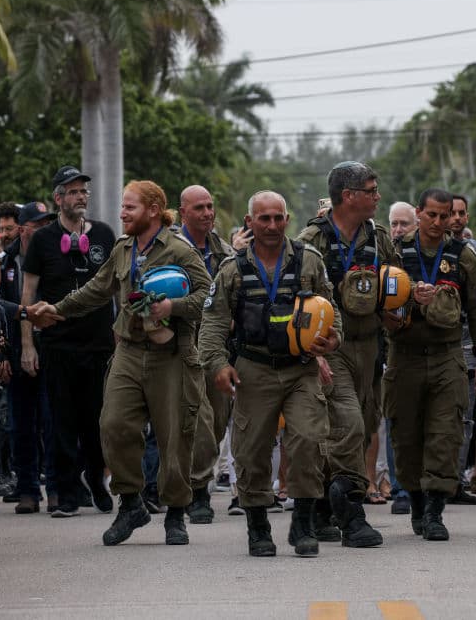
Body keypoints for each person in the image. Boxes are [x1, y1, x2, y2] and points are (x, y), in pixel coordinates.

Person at [28, 180, 211, 547]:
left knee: (174, 436)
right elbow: (97, 288)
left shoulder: (179, 249)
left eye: (130, 207)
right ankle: (130, 503)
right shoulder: (123, 249)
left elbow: (207, 295)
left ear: (154, 210)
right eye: (123, 207)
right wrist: (57, 309)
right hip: (128, 349)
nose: (122, 213)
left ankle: (176, 514)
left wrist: (171, 307)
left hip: (171, 354)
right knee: (112, 424)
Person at [198, 191, 340, 557]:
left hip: (301, 369)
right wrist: (218, 365)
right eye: (264, 219)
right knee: (252, 449)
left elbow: (330, 308)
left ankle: (303, 523)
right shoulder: (232, 269)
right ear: (250, 222)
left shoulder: (309, 261)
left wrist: (331, 339)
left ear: (288, 219)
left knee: (309, 439)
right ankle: (257, 526)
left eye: (278, 218)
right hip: (253, 369)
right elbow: (212, 324)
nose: (272, 225)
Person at [385, 188, 476, 541]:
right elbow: (379, 303)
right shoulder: (397, 251)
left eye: (444, 216)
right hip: (405, 353)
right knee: (406, 434)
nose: (437, 222)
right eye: (431, 214)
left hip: (449, 354)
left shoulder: (463, 255)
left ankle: (434, 510)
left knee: (445, 433)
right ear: (418, 212)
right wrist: (409, 295)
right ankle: (415, 499)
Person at [296, 161, 394, 548]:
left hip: (370, 346)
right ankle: (352, 512)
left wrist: (406, 302)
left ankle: (320, 507)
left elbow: (394, 284)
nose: (377, 196)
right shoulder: (311, 240)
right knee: (348, 422)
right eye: (371, 190)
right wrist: (313, 354)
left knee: (365, 423)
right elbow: (297, 299)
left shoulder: (379, 237)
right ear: (349, 196)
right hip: (329, 346)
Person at [21, 166, 117, 518]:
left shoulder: (105, 236)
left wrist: (120, 331)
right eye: (73, 192)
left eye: (83, 191)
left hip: (98, 345)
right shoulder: (43, 240)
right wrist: (28, 346)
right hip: (58, 345)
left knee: (97, 421)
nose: (80, 197)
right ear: (58, 199)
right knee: (60, 422)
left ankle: (96, 480)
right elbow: (28, 296)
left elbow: (117, 288)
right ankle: (64, 491)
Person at [177, 185, 234, 525]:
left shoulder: (224, 252)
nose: (207, 213)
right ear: (182, 212)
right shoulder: (170, 249)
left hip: (217, 347)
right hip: (183, 343)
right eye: (199, 208)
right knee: (198, 419)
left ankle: (194, 478)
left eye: (210, 206)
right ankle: (198, 490)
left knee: (218, 417)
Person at [0, 202, 56, 514]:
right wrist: (3, 354)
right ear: (23, 229)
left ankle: (59, 489)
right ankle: (27, 490)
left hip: (48, 349)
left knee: (52, 421)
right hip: (15, 352)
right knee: (20, 425)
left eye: (48, 222)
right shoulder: (5, 262)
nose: (44, 229)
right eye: (38, 224)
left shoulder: (54, 257)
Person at [448, 194, 476, 506]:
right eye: (452, 213)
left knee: (465, 417)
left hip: (468, 344)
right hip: (441, 342)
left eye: (462, 213)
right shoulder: (430, 249)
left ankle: (456, 480)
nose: (458, 218)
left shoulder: (475, 252)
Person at [385, 202, 417, 516]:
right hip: (392, 350)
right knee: (396, 422)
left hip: (425, 348)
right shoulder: (384, 258)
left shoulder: (423, 256)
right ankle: (400, 489)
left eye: (404, 224)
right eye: (394, 223)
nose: (398, 230)